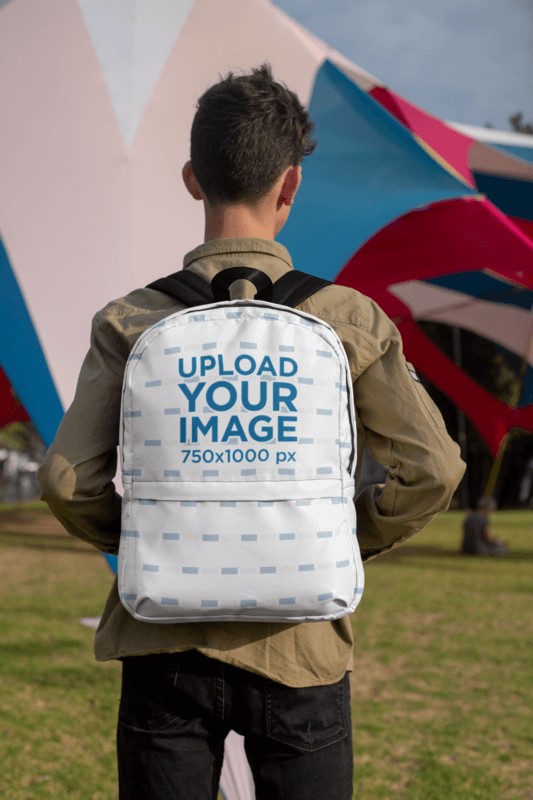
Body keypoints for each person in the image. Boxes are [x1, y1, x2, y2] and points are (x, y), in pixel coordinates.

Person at [38, 64, 465, 800]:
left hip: (161, 641)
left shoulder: (130, 320)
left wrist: (159, 534)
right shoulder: (347, 318)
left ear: (190, 178)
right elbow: (434, 470)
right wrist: (322, 536)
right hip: (300, 647)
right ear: (290, 185)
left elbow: (64, 478)